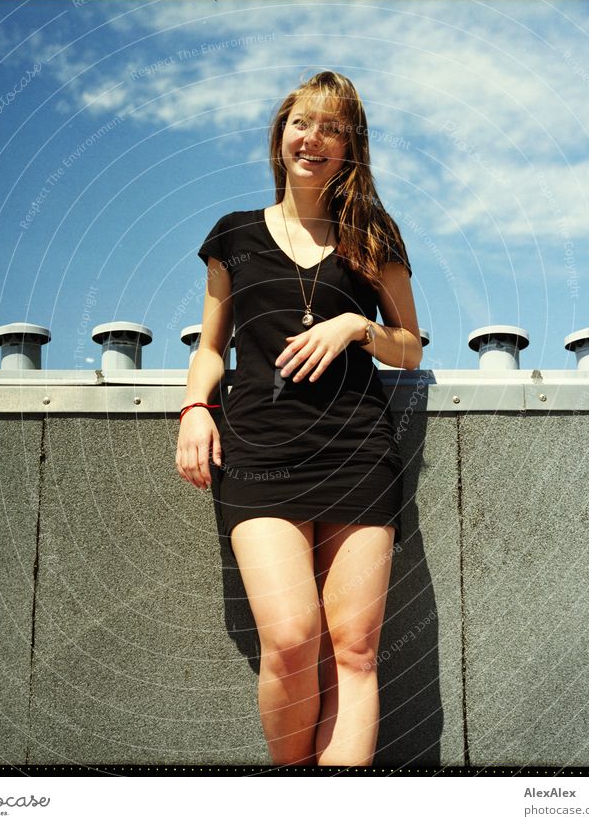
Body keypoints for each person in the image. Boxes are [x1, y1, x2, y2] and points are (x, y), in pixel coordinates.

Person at [176, 69, 422, 767]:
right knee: (289, 636)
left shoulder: (372, 237)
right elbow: (210, 347)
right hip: (256, 450)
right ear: (280, 136)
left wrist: (354, 326)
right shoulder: (233, 237)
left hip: (356, 451)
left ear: (351, 147)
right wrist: (195, 406)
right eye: (301, 123)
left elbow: (407, 345)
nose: (313, 138)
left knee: (355, 647)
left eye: (332, 128)